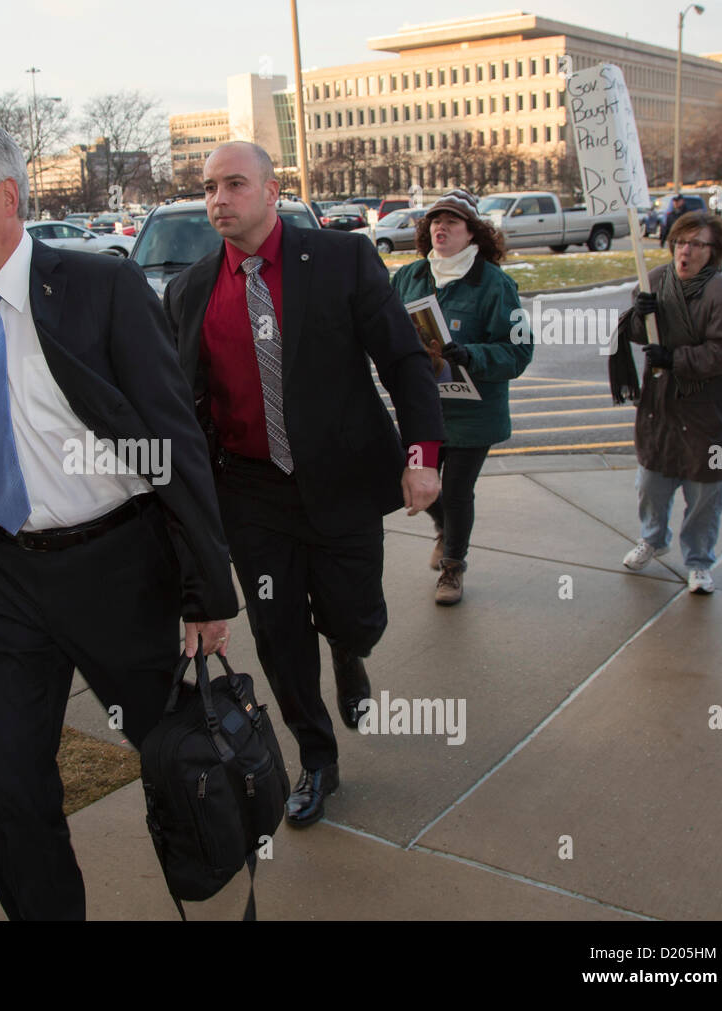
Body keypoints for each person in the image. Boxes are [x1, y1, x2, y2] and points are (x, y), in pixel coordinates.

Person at [0, 119, 237, 920]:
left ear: (8, 195)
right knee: (12, 787)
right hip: (3, 577)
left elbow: (173, 441)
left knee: (178, 763)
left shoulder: (101, 286)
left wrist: (207, 585)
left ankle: (225, 898)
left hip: (116, 568)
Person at [162, 142, 444, 828]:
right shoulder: (191, 289)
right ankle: (317, 758)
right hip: (252, 496)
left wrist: (423, 452)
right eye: (208, 188)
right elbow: (179, 405)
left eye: (234, 184)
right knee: (280, 637)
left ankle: (351, 652)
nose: (218, 200)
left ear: (272, 189)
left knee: (356, 614)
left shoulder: (342, 260)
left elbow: (405, 360)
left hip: (343, 482)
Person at [390, 189, 532, 604]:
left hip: (474, 413)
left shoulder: (496, 284)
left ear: (473, 233)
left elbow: (519, 351)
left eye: (452, 221)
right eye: (435, 220)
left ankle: (453, 567)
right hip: (423, 408)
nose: (441, 227)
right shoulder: (410, 276)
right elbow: (386, 327)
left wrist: (473, 355)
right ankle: (445, 530)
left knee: (454, 491)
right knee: (413, 484)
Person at [609, 211, 722, 594]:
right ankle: (653, 539)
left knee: (706, 491)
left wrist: (676, 360)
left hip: (709, 413)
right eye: (680, 243)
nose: (685, 251)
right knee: (652, 480)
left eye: (696, 244)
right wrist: (638, 317)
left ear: (713, 251)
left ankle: (700, 562)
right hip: (662, 407)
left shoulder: (721, 294)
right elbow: (640, 335)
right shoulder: (654, 280)